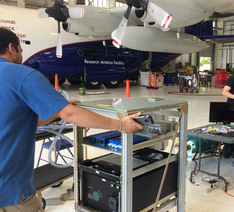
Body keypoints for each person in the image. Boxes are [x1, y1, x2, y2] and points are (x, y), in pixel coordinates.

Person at [0, 28, 143, 211]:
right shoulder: (22, 74)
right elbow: (72, 115)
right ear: (12, 48)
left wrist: (57, 108)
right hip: (10, 193)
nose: (22, 55)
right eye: (21, 50)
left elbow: (23, 122)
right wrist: (120, 124)